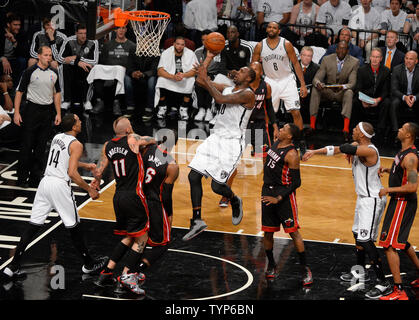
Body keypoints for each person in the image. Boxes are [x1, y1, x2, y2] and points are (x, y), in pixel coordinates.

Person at [1, 113, 108, 281]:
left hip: (45, 183)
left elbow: (64, 160)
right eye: (79, 121)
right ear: (74, 127)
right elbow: (72, 173)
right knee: (74, 225)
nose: (81, 122)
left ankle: (12, 266)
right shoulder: (77, 144)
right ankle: (89, 264)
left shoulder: (58, 137)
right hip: (59, 186)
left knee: (33, 225)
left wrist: (85, 164)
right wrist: (89, 190)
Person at [303, 122, 391, 299]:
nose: (353, 130)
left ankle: (384, 282)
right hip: (362, 198)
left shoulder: (369, 150)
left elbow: (343, 148)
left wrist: (348, 149)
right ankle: (360, 273)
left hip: (372, 200)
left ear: (363, 134)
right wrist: (314, 151)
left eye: (356, 129)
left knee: (366, 240)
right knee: (357, 234)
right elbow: (336, 149)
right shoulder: (359, 146)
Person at [182, 51, 256, 241]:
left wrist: (207, 81)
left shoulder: (248, 95)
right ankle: (197, 220)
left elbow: (220, 99)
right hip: (215, 138)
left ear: (248, 79)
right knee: (193, 175)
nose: (237, 72)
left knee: (217, 186)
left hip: (232, 143)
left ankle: (234, 199)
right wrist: (208, 57)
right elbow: (200, 82)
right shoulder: (228, 88)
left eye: (241, 71)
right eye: (238, 70)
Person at [92, 116, 155, 295]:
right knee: (142, 238)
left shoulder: (107, 145)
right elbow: (153, 139)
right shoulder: (133, 139)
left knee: (129, 236)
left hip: (118, 196)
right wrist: (139, 138)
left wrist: (95, 183)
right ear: (128, 130)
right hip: (134, 196)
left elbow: (99, 170)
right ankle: (127, 276)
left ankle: (106, 272)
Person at [218, 61, 280, 207]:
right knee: (233, 163)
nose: (253, 69)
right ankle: (226, 195)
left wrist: (275, 126)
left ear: (260, 72)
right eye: (251, 67)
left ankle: (270, 191)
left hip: (259, 127)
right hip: (243, 127)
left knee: (267, 161)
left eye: (256, 68)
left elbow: (269, 108)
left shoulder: (266, 87)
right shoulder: (243, 87)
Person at [261, 122, 313, 287]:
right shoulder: (276, 142)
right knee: (268, 233)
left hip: (283, 196)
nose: (280, 130)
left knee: (294, 232)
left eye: (283, 129)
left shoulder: (292, 154)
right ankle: (272, 264)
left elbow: (296, 182)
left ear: (289, 136)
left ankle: (305, 269)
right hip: (267, 192)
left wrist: (279, 197)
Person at [252, 21, 308, 158]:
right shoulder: (260, 46)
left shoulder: (286, 44)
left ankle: (299, 143)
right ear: (267, 30)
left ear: (279, 30)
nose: (271, 29)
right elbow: (253, 66)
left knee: (295, 112)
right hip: (270, 80)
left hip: (287, 79)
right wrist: (253, 84)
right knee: (264, 114)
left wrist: (303, 84)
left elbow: (295, 63)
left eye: (274, 27)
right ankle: (263, 144)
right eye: (269, 27)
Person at [377, 122, 419, 300]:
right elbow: (401, 172)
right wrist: (389, 170)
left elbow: (412, 186)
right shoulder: (404, 153)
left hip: (402, 202)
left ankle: (398, 290)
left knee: (388, 245)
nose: (399, 130)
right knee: (401, 241)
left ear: (409, 135)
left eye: (402, 128)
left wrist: (388, 190)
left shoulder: (410, 158)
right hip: (399, 202)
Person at [13, 46, 62, 188]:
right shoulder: (29, 72)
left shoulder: (54, 72)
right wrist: (16, 112)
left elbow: (57, 93)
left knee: (41, 147)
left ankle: (35, 178)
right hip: (32, 109)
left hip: (47, 111)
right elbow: (19, 92)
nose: (49, 57)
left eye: (50, 55)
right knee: (27, 146)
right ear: (39, 56)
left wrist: (58, 113)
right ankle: (21, 178)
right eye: (46, 55)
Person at [137, 141, 179, 273]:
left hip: (139, 200)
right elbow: (166, 195)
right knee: (162, 244)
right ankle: (137, 271)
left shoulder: (145, 150)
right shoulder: (172, 165)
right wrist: (170, 214)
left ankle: (126, 270)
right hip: (155, 205)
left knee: (139, 239)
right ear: (175, 143)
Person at [309, 41, 360, 142]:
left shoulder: (354, 62)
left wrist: (343, 87)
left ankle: (345, 129)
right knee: (315, 89)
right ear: (336, 49)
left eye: (344, 48)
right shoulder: (327, 59)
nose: (341, 50)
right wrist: (318, 83)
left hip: (342, 92)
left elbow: (352, 83)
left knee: (349, 92)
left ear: (347, 51)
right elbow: (316, 78)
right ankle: (312, 126)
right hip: (328, 91)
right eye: (339, 48)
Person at [91, 25, 136, 116]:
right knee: (96, 69)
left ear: (126, 30)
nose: (121, 30)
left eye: (123, 28)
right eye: (119, 28)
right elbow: (103, 61)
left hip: (123, 72)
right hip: (108, 71)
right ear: (115, 30)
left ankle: (116, 102)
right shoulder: (107, 45)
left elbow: (133, 64)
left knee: (119, 70)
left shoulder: (132, 46)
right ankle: (100, 102)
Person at [352, 47, 391, 142]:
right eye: (373, 56)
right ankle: (357, 130)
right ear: (370, 57)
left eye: (377, 57)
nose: (374, 59)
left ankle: (380, 132)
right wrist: (363, 100)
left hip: (378, 99)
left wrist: (378, 100)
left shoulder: (386, 71)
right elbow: (358, 89)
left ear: (381, 59)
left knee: (387, 102)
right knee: (355, 101)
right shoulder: (362, 70)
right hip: (364, 98)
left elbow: (386, 90)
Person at [58, 23, 99, 111]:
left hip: (85, 69)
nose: (83, 36)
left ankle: (86, 101)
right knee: (63, 66)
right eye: (81, 33)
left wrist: (78, 58)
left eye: (85, 33)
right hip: (72, 69)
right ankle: (66, 100)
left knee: (92, 68)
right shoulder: (69, 40)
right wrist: (77, 63)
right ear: (76, 33)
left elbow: (95, 61)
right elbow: (60, 58)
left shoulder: (93, 41)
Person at [155, 36, 198, 121]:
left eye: (182, 44)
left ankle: (184, 108)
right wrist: (173, 76)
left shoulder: (190, 53)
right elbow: (159, 71)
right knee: (161, 80)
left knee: (191, 80)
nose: (180, 46)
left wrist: (184, 75)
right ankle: (162, 107)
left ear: (184, 45)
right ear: (174, 44)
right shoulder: (166, 53)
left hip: (183, 77)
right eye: (178, 44)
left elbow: (195, 71)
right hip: (171, 77)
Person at [194, 30, 228, 122]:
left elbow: (222, 68)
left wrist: (210, 77)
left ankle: (209, 109)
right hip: (202, 74)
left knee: (211, 82)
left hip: (215, 74)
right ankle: (201, 109)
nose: (205, 42)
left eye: (207, 40)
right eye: (203, 40)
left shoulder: (220, 51)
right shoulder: (198, 51)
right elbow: (196, 69)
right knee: (199, 83)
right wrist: (203, 75)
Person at [388, 51, 419, 145]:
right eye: (406, 58)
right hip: (401, 96)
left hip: (415, 97)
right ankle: (396, 133)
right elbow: (393, 89)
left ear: (416, 61)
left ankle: (416, 134)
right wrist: (404, 97)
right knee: (394, 103)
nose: (408, 61)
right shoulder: (397, 69)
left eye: (411, 59)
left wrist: (414, 98)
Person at [1, 13, 29, 87]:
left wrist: (14, 41)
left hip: (14, 59)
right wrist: (2, 58)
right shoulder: (1, 33)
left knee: (22, 61)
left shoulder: (21, 34)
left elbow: (25, 52)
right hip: (2, 59)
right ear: (8, 24)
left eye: (19, 25)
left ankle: (17, 88)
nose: (18, 27)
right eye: (15, 25)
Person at [297, 46, 320, 125]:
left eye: (309, 56)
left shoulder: (317, 68)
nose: (306, 58)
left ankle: (308, 125)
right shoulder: (293, 65)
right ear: (300, 55)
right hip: (294, 91)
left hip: (309, 94)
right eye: (304, 55)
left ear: (312, 57)